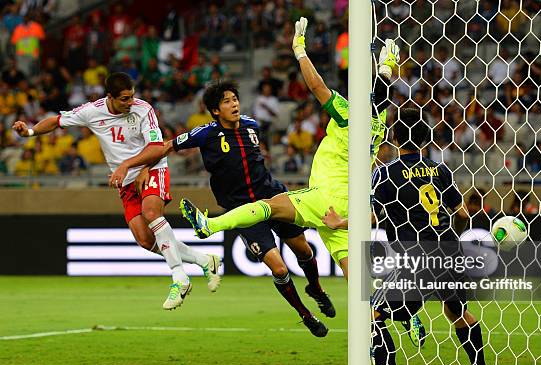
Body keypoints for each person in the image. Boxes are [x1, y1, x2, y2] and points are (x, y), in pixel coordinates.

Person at [178, 18, 398, 277]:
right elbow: (381, 95)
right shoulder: (380, 121)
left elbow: (317, 85)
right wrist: (387, 67)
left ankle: (210, 224)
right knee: (356, 279)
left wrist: (300, 50)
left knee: (268, 206)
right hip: (350, 205)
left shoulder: (348, 114)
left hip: (325, 197)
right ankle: (397, 310)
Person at [123, 81, 334, 337]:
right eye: (226, 101)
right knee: (279, 269)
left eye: (235, 99)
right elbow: (166, 146)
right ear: (215, 110)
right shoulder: (205, 133)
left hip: (273, 196)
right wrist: (144, 166)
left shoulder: (251, 125)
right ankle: (305, 314)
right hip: (243, 209)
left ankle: (317, 289)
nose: (234, 104)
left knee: (303, 249)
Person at [12, 72, 221, 311]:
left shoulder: (143, 109)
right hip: (125, 182)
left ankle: (179, 278)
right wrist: (29, 132)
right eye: (124, 99)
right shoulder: (92, 111)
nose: (130, 102)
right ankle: (204, 260)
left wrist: (129, 166)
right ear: (109, 97)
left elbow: (157, 147)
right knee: (144, 239)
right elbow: (56, 120)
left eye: (132, 96)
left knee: (151, 213)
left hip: (152, 168)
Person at [324, 108, 493, 365]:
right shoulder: (439, 169)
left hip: (414, 258)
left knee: (371, 314)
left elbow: (371, 216)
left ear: (393, 138)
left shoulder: (385, 172)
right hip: (449, 252)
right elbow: (462, 212)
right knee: (457, 312)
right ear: (426, 138)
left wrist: (340, 223)